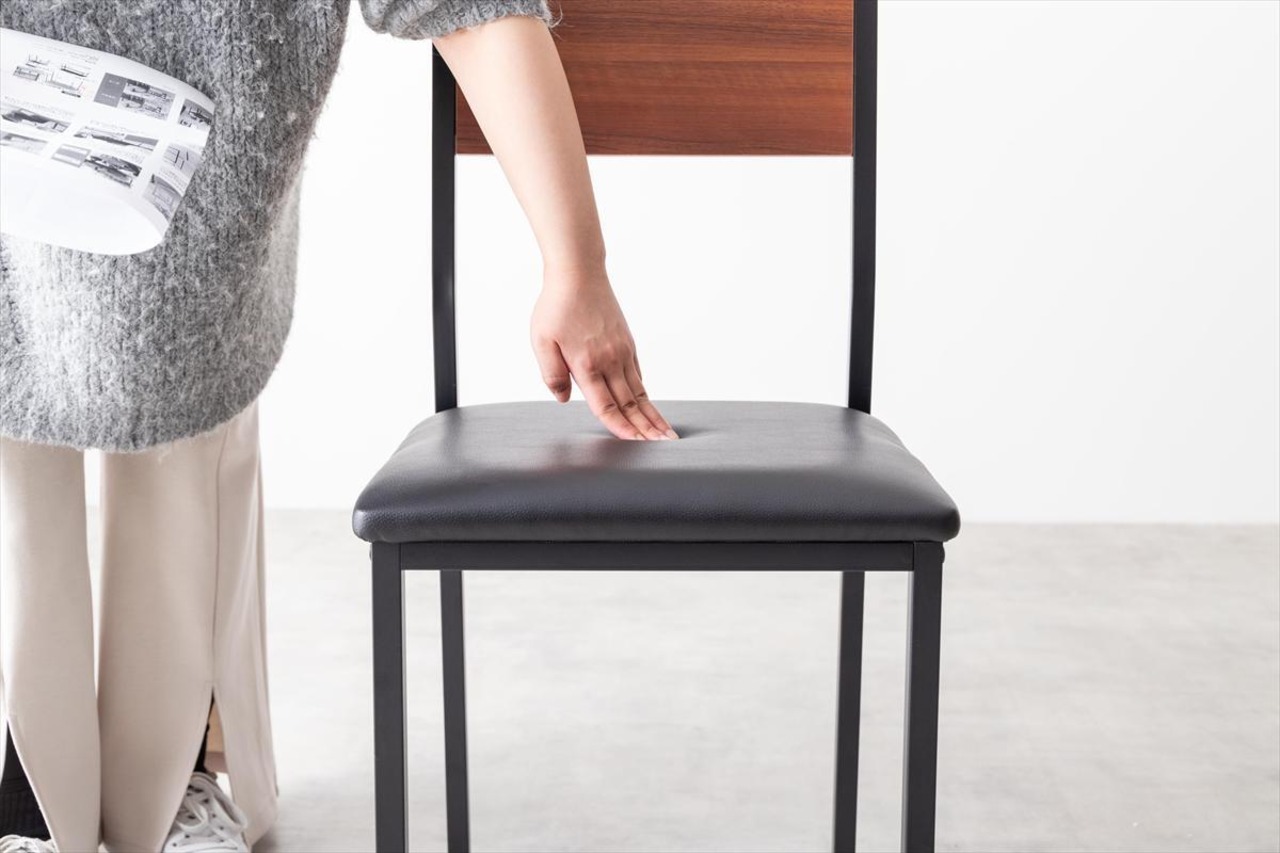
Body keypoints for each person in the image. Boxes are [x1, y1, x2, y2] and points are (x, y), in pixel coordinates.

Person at [0, 1, 677, 851]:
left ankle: (175, 779)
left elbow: (469, 9)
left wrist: (575, 264)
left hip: (202, 161)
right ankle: (23, 795)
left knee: (182, 446)